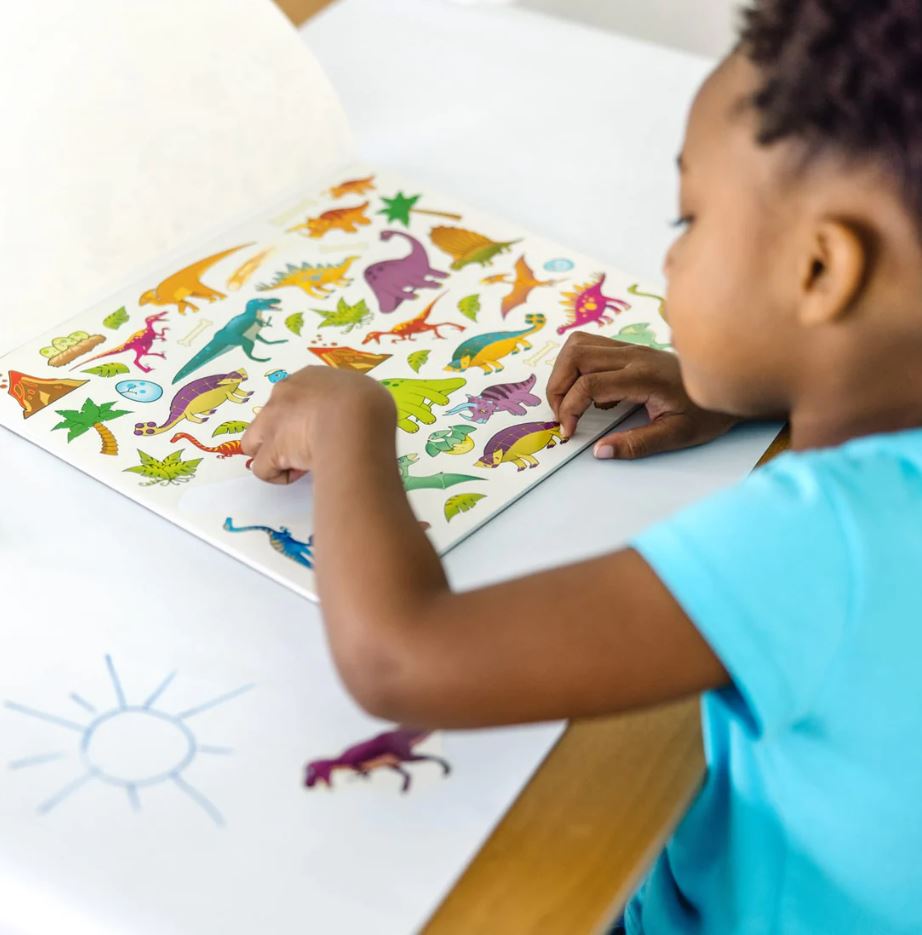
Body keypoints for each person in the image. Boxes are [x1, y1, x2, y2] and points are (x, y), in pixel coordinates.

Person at [241, 1, 922, 930]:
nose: (669, 257)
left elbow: (402, 657)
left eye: (689, 219)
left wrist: (350, 421)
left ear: (819, 271)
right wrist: (766, 382)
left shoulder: (825, 543)